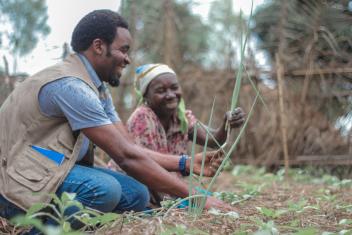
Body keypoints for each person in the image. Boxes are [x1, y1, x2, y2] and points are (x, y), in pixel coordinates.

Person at [0, 10, 231, 226]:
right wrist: (196, 196)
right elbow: (126, 157)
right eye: (124, 49)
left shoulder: (97, 90)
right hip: (13, 184)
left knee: (136, 193)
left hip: (48, 172)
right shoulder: (71, 86)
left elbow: (128, 145)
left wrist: (185, 163)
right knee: (105, 189)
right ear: (99, 46)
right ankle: (39, 229)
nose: (128, 59)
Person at [108, 63, 245, 204]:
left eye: (174, 88)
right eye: (161, 90)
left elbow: (213, 139)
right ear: (146, 96)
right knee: (201, 204)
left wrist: (226, 124)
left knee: (214, 201)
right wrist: (178, 202)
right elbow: (146, 169)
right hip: (136, 190)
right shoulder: (142, 118)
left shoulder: (181, 117)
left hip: (167, 189)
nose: (171, 95)